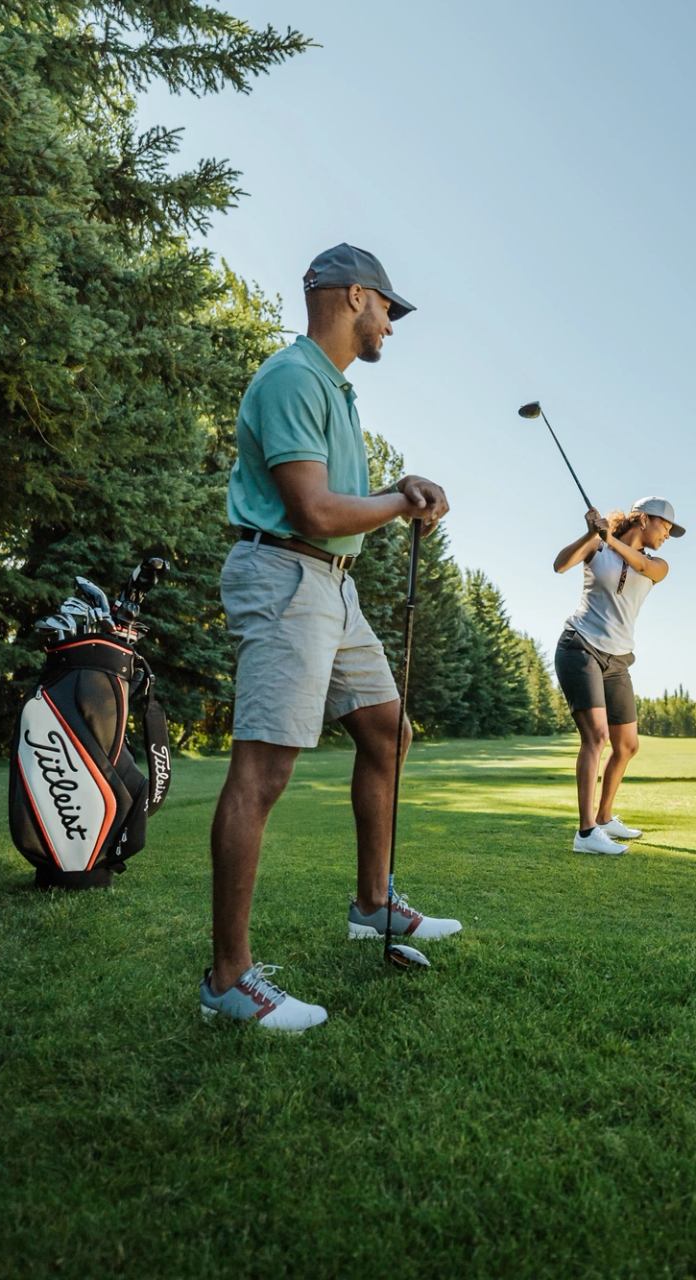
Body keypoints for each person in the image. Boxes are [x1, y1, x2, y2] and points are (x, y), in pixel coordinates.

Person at [200, 244, 460, 1035]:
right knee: (264, 768)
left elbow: (339, 510)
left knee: (390, 732)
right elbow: (312, 510)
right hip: (286, 575)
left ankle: (374, 904)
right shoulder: (292, 378)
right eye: (388, 308)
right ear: (355, 297)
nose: (391, 323)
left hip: (331, 587)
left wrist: (391, 493)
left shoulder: (336, 394)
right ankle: (229, 980)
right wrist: (398, 499)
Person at [550, 497, 684, 855]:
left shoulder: (658, 564)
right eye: (666, 527)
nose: (668, 535)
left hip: (618, 659)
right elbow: (560, 565)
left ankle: (605, 817)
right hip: (580, 647)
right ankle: (586, 833)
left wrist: (608, 538)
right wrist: (590, 534)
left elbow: (640, 564)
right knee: (597, 737)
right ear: (644, 519)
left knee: (627, 745)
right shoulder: (597, 545)